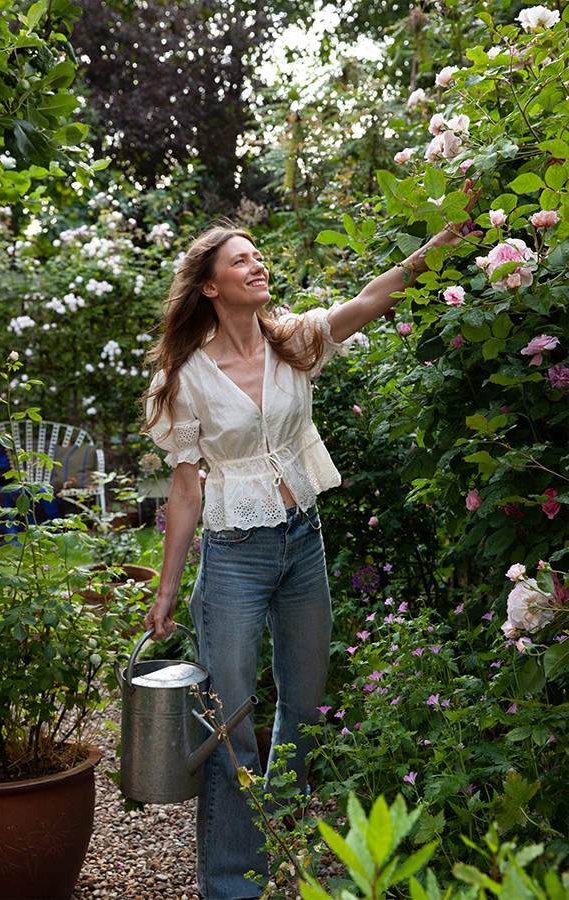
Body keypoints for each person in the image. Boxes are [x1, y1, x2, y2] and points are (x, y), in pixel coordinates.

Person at [142, 186, 480, 900]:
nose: (257, 266)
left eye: (258, 256)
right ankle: (232, 884)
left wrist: (439, 245)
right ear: (210, 287)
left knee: (305, 705)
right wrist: (168, 590)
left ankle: (278, 838)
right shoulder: (185, 377)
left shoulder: (292, 341)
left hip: (304, 545)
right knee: (231, 719)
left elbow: (371, 300)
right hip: (234, 556)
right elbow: (185, 488)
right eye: (241, 261)